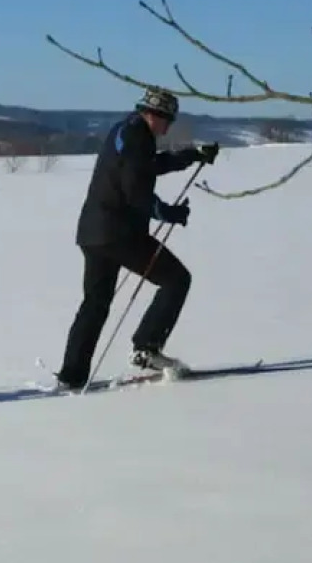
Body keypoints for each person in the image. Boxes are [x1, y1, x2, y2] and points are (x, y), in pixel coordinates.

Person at [54, 87, 218, 390]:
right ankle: (147, 348)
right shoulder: (136, 136)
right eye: (168, 120)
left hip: (93, 233)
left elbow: (148, 166)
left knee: (95, 304)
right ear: (155, 115)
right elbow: (135, 189)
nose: (168, 126)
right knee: (176, 279)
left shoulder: (126, 131)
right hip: (119, 234)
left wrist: (192, 156)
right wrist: (165, 212)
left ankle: (71, 376)